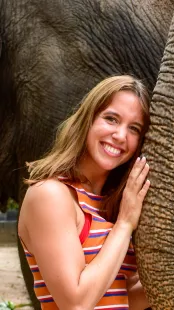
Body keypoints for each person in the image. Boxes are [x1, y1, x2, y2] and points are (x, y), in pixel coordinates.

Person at [18, 75, 152, 310]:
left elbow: (120, 296)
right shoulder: (51, 195)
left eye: (134, 128)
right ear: (88, 119)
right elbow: (76, 303)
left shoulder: (109, 204)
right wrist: (124, 224)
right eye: (111, 119)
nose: (120, 135)